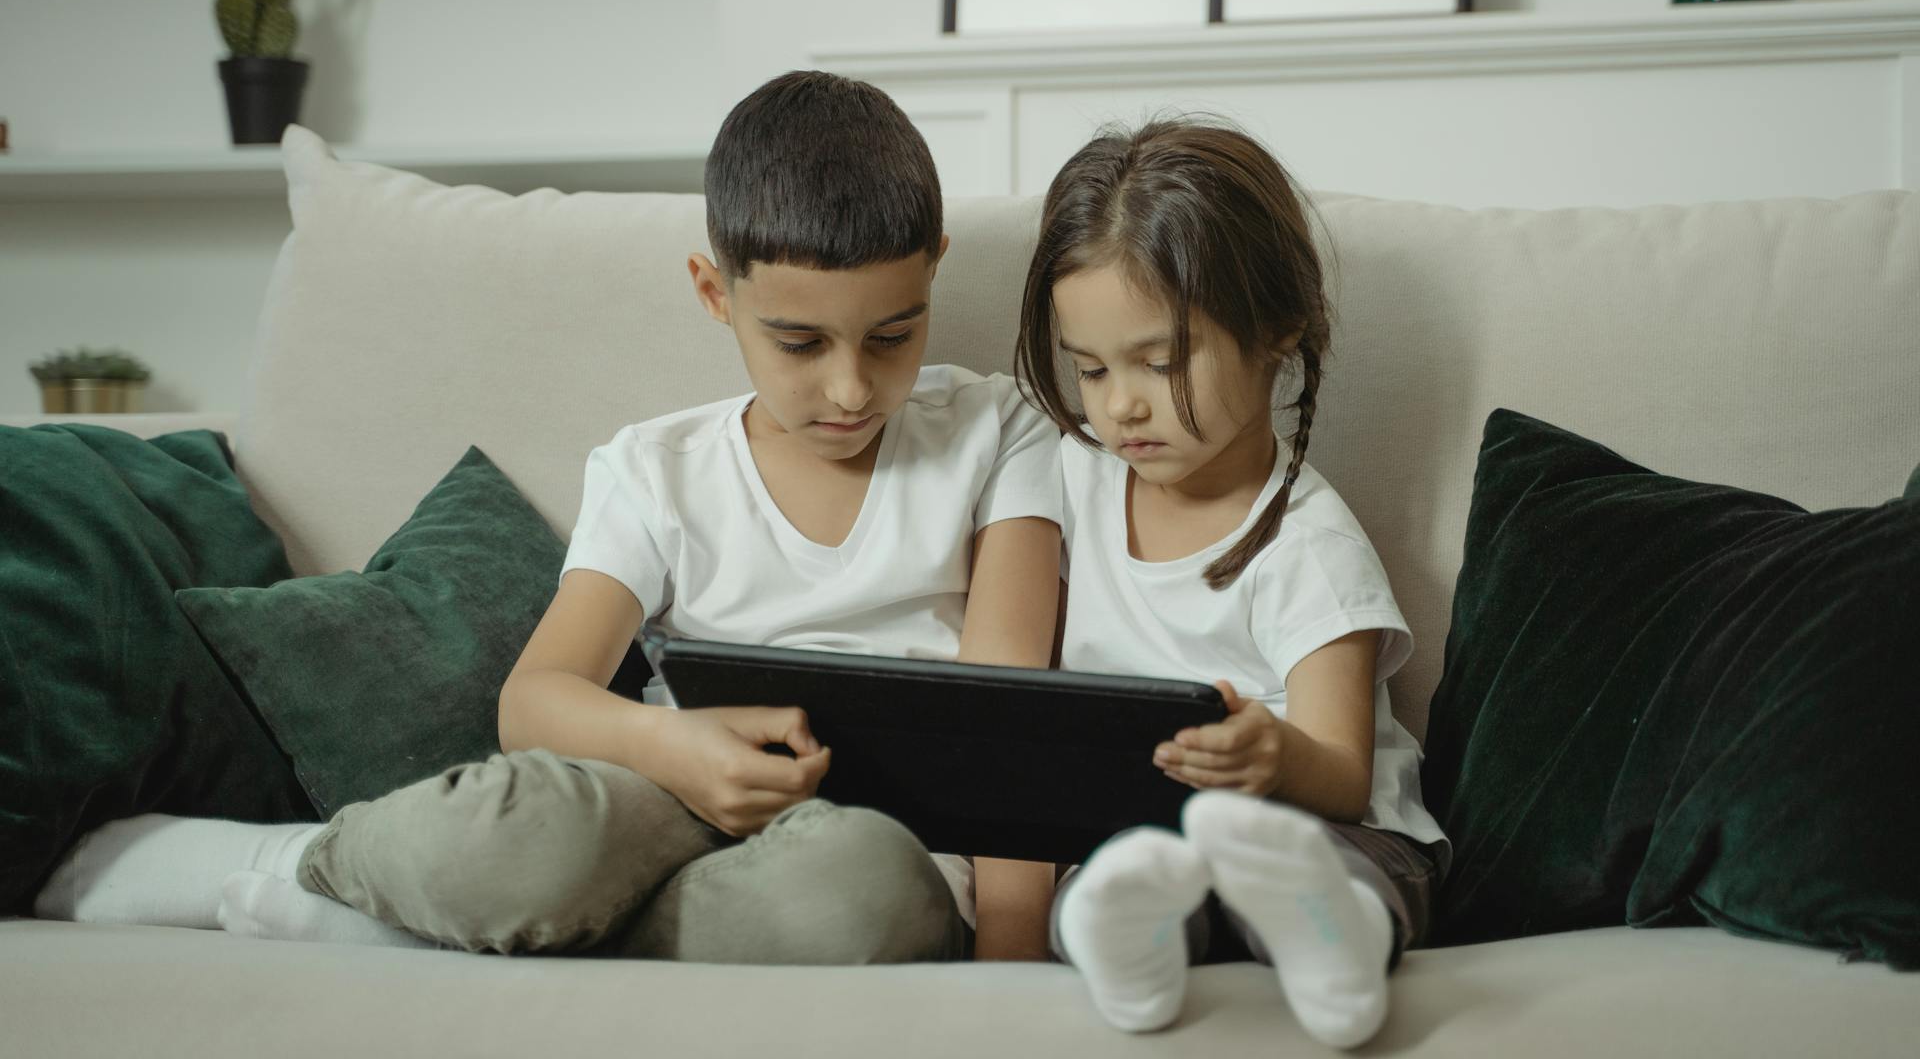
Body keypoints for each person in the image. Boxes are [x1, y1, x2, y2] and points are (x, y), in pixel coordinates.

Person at [33, 71, 1063, 964]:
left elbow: (1012, 728)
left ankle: (476, 931)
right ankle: (313, 868)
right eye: (798, 342)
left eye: (894, 332)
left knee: (856, 890)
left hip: (870, 843)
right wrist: (679, 750)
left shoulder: (999, 431)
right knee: (521, 835)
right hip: (666, 801)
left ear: (934, 267)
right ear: (714, 292)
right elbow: (536, 699)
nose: (850, 387)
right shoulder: (657, 466)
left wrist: (1010, 961)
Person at [1013, 118, 1449, 1046]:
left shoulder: (1307, 542)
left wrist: (1271, 757)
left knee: (1311, 877)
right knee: (1111, 883)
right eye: (1089, 368)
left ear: (1274, 333)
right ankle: (1129, 950)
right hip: (1151, 835)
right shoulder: (1071, 481)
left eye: (1161, 363)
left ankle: (1335, 944)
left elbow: (1340, 771)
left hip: (1331, 831)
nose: (1120, 404)